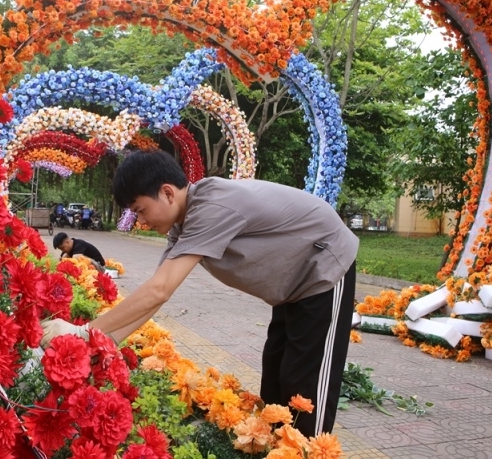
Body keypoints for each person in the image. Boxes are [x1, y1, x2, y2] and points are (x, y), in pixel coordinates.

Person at [40, 150, 358, 437]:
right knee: (275, 385)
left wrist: (84, 332)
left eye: (140, 210)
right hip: (291, 289)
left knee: (304, 396)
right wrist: (102, 342)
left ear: (167, 192)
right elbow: (154, 294)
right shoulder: (184, 223)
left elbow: (160, 291)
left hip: (324, 271)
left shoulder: (211, 206)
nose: (140, 221)